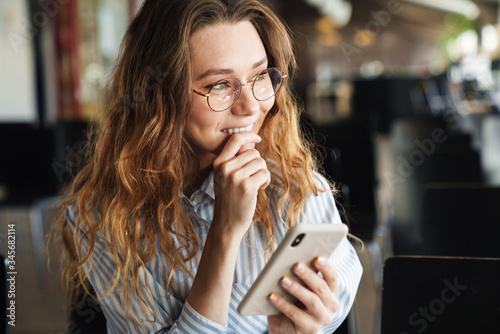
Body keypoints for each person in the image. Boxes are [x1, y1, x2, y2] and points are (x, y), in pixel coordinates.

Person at [52, 0, 363, 333]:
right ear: (160, 96)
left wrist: (317, 317)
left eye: (259, 76)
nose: (251, 106)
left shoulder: (294, 184)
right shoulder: (105, 215)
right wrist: (225, 232)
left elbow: (341, 284)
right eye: (220, 85)